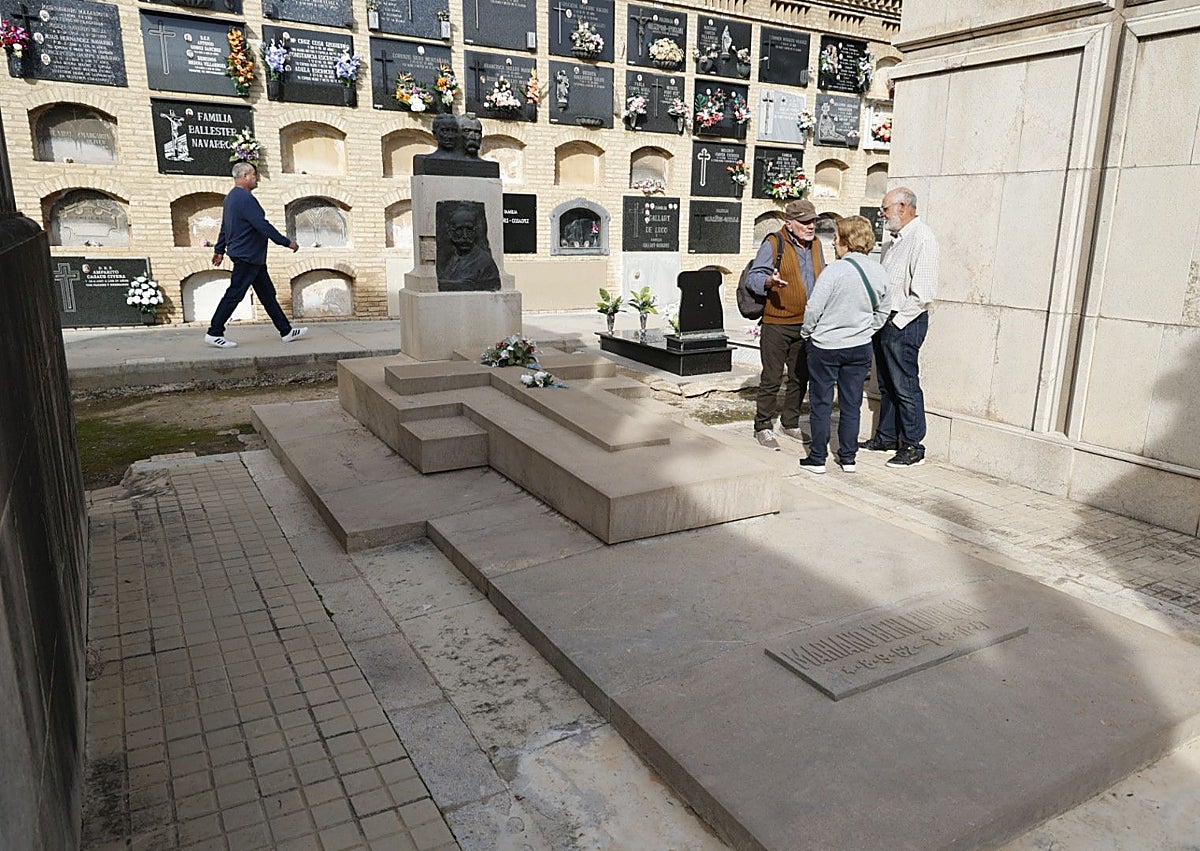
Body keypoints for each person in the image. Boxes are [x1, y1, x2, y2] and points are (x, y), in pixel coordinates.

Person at [797, 216, 890, 474]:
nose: (834, 242)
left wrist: (808, 333)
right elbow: (883, 311)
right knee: (851, 403)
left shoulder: (834, 271)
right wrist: (865, 331)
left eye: (837, 237)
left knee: (821, 402)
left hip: (826, 345)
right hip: (859, 346)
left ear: (847, 240)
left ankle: (817, 458)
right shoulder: (879, 271)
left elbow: (814, 308)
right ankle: (848, 458)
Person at [860, 186, 939, 468]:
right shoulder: (896, 240)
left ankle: (913, 445)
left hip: (904, 322)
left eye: (886, 209)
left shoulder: (922, 239)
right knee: (887, 383)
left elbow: (924, 293)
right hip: (887, 320)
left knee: (905, 385)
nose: (882, 215)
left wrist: (896, 321)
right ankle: (887, 436)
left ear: (904, 207)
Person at [746, 198, 824, 450]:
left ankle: (790, 422)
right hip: (777, 322)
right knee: (771, 377)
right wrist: (769, 281)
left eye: (813, 221)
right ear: (790, 224)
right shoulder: (773, 243)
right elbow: (753, 277)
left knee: (801, 376)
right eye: (804, 222)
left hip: (807, 323)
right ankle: (763, 426)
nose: (810, 226)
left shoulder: (816, 245)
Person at [205, 161, 305, 348]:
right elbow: (261, 224)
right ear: (244, 177)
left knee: (267, 294)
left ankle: (286, 331)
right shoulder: (244, 199)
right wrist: (286, 242)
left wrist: (219, 250)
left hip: (253, 257)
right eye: (253, 175)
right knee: (235, 294)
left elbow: (225, 227)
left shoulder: (231, 198)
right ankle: (214, 332)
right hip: (247, 256)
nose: (256, 178)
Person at [438, 206, 500, 291]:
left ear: (476, 231)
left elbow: (470, 285)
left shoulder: (484, 261)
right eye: (459, 230)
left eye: (469, 230)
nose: (465, 236)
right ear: (450, 233)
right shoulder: (451, 260)